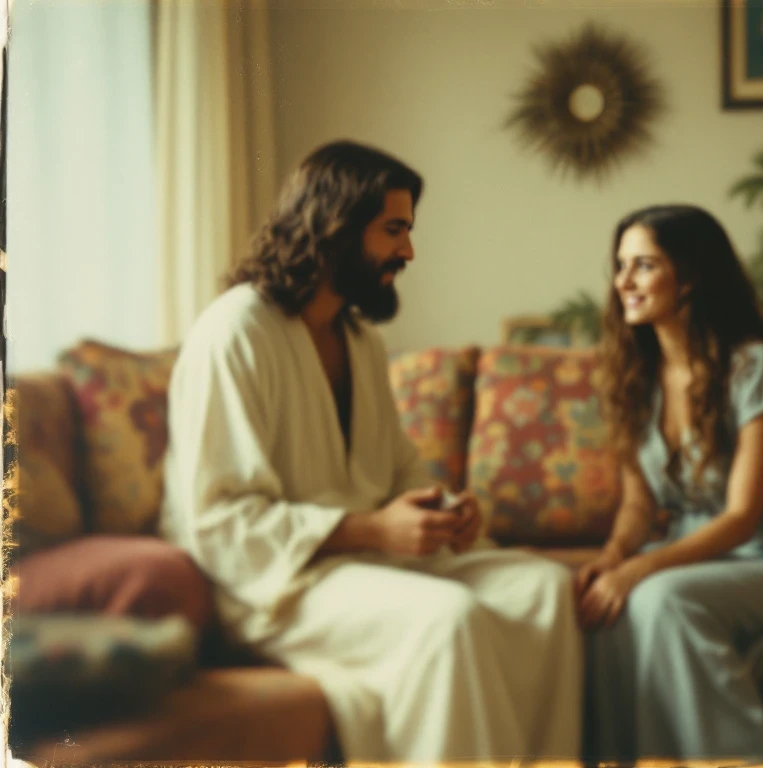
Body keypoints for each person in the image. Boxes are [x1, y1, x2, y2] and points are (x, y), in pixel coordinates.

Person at [159, 140, 581, 763]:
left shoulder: (356, 339)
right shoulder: (236, 333)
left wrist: (445, 509)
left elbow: (394, 470)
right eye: (393, 231)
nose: (407, 252)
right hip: (272, 585)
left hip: (361, 563)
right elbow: (219, 524)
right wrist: (374, 530)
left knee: (542, 588)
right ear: (335, 225)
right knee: (449, 620)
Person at [576, 204, 763, 761]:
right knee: (609, 607)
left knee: (660, 600)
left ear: (691, 276)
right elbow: (637, 504)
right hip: (699, 557)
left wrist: (640, 567)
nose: (623, 282)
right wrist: (613, 557)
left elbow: (741, 516)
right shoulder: (635, 376)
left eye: (644, 266)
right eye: (620, 265)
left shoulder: (752, 366)